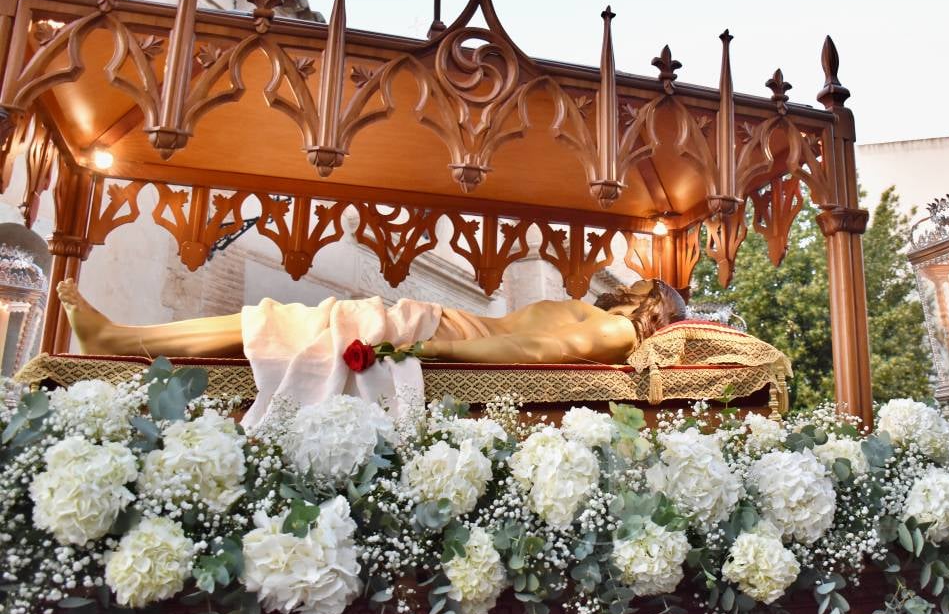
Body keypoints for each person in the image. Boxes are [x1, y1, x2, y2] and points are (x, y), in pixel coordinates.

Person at [57, 277, 689, 428]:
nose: (636, 282)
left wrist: (435, 350)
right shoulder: (597, 313)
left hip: (448, 334)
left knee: (289, 322)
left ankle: (121, 340)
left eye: (648, 287)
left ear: (652, 308)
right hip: (445, 325)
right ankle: (123, 338)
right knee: (291, 322)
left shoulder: (617, 333)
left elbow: (535, 348)